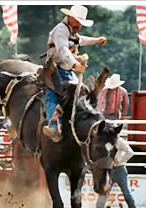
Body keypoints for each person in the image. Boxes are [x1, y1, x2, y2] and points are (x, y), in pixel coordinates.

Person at [42, 5, 107, 142]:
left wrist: (96, 40)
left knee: (83, 91)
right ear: (70, 17)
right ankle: (53, 125)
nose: (79, 24)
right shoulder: (60, 30)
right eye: (77, 21)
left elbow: (80, 40)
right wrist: (75, 64)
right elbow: (63, 50)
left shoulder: (72, 31)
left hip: (67, 71)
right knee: (52, 93)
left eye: (80, 22)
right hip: (55, 69)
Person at [94, 136, 139, 208]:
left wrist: (119, 160)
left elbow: (130, 152)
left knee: (125, 193)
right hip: (112, 169)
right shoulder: (109, 141)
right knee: (105, 191)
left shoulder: (119, 141)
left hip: (119, 169)